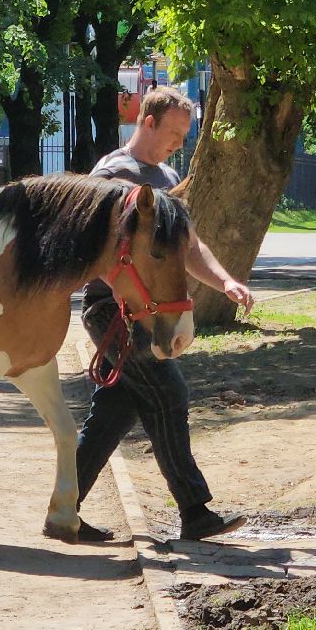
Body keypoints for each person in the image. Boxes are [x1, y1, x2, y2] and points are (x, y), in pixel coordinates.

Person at [73, 87, 256, 543]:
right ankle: (195, 511)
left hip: (145, 313)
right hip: (113, 309)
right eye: (174, 133)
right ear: (147, 122)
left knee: (116, 412)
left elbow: (189, 247)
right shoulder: (114, 175)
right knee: (168, 391)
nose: (179, 143)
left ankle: (63, 507)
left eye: (184, 135)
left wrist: (225, 281)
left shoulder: (168, 175)